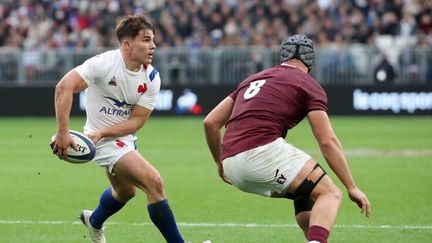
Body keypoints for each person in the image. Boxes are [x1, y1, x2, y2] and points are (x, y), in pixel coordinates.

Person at [203, 34, 371, 243]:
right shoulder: (308, 84)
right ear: (311, 61)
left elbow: (210, 122)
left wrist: (220, 162)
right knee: (330, 193)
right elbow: (327, 141)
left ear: (282, 56)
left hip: (232, 165)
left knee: (307, 192)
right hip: (262, 153)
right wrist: (351, 187)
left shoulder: (253, 79)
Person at [51, 15, 185, 243]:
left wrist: (104, 132)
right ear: (127, 45)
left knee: (125, 192)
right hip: (101, 142)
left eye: (153, 40)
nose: (153, 46)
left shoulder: (152, 77)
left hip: (118, 136)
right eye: (146, 40)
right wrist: (63, 132)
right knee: (154, 181)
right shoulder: (103, 64)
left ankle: (94, 221)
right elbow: (64, 86)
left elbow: (137, 121)